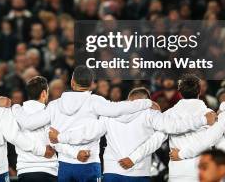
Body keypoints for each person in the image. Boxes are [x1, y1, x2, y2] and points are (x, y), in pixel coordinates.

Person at [12, 66, 157, 182]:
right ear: (91, 85)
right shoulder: (95, 102)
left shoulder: (54, 106)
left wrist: (16, 108)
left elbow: (28, 123)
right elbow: (120, 109)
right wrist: (147, 102)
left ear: (72, 82)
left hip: (64, 166)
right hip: (90, 164)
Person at [50, 87, 217, 182]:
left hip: (111, 174)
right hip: (139, 175)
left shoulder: (110, 115)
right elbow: (174, 126)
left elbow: (86, 133)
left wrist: (60, 137)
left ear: (129, 100)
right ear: (146, 102)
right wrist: (203, 120)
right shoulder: (151, 115)